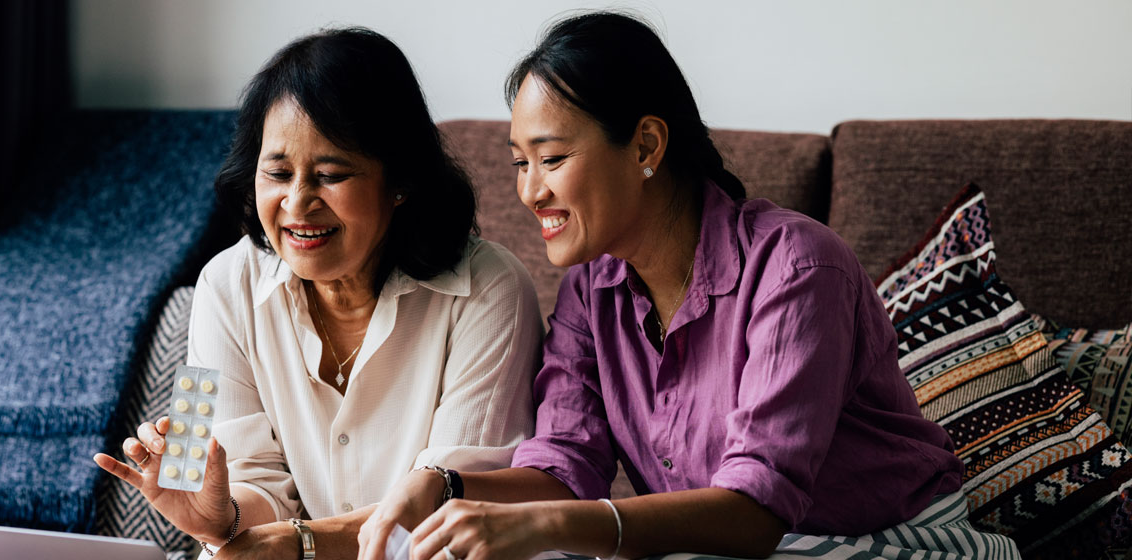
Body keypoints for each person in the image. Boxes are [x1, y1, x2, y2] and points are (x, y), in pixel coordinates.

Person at [358, 12, 1018, 560]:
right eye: (520, 163)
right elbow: (564, 469)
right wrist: (443, 487)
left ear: (646, 146)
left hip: (888, 536)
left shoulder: (798, 268)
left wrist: (562, 526)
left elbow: (758, 510)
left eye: (552, 158)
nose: (531, 191)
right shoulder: (590, 292)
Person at [92, 27, 543, 560]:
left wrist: (300, 545)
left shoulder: (490, 290)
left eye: (330, 174)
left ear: (399, 181)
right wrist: (222, 516)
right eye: (277, 173)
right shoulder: (223, 285)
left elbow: (451, 515)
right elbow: (241, 482)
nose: (297, 203)